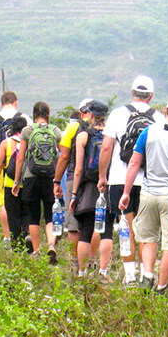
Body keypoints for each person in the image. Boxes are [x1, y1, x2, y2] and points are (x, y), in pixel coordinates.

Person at [97, 75, 165, 285]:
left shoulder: (118, 114)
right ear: (151, 96)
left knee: (126, 227)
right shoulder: (159, 118)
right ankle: (147, 274)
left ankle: (129, 277)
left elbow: (107, 147)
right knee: (146, 230)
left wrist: (102, 176)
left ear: (132, 93)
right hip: (150, 182)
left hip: (119, 179)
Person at [119, 94, 168, 292]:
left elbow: (134, 163)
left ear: (166, 110)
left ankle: (147, 274)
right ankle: (161, 286)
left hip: (148, 193)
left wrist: (126, 192)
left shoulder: (149, 131)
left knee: (147, 238)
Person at [11, 101, 62, 263]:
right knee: (49, 216)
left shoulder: (27, 131)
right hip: (50, 177)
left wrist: (17, 181)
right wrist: (58, 179)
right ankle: (51, 245)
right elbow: (62, 156)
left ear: (34, 115)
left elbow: (20, 158)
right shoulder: (55, 131)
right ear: (48, 114)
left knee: (33, 216)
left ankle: (37, 250)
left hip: (31, 177)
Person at [69, 100, 110, 278]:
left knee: (85, 231)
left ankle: (82, 272)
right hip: (107, 187)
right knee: (106, 231)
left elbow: (78, 168)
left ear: (90, 114)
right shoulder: (111, 135)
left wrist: (73, 194)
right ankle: (103, 271)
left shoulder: (83, 136)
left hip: (87, 189)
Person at [54, 99, 93, 268]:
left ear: (81, 112)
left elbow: (63, 156)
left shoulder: (72, 128)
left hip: (72, 179)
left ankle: (75, 264)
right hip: (95, 181)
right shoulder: (103, 129)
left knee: (73, 224)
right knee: (94, 222)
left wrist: (56, 180)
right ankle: (92, 261)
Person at [0, 114, 28, 245]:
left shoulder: (6, 144)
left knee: (13, 216)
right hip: (27, 184)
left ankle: (16, 244)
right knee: (26, 213)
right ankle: (27, 236)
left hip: (10, 184)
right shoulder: (28, 143)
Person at [0, 91, 31, 182]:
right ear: (16, 103)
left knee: (1, 195)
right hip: (22, 167)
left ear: (1, 105)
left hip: (0, 168)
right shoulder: (26, 119)